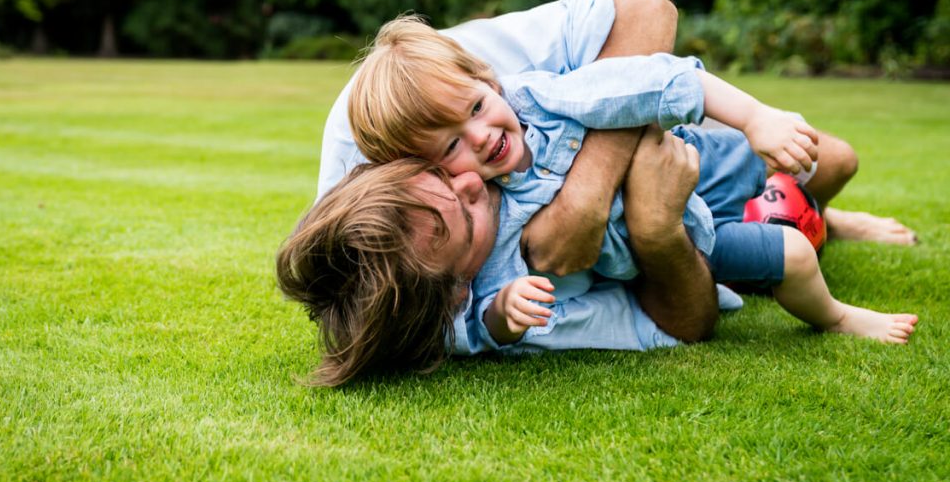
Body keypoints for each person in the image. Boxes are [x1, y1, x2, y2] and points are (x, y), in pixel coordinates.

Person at [344, 16, 918, 350]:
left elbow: (653, 81)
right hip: (693, 237)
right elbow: (475, 318)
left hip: (696, 162)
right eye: (450, 147)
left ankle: (832, 220)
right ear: (430, 171)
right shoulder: (483, 222)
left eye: (474, 105)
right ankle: (838, 314)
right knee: (791, 253)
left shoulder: (544, 100)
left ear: (486, 77)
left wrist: (753, 118)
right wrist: (504, 314)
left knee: (828, 161)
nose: (479, 137)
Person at [277, 127, 716, 385]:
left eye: (438, 173)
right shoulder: (516, 311)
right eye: (468, 218)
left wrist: (586, 196)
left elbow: (646, 20)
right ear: (459, 294)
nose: (469, 180)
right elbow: (676, 324)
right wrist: (655, 230)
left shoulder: (397, 121)